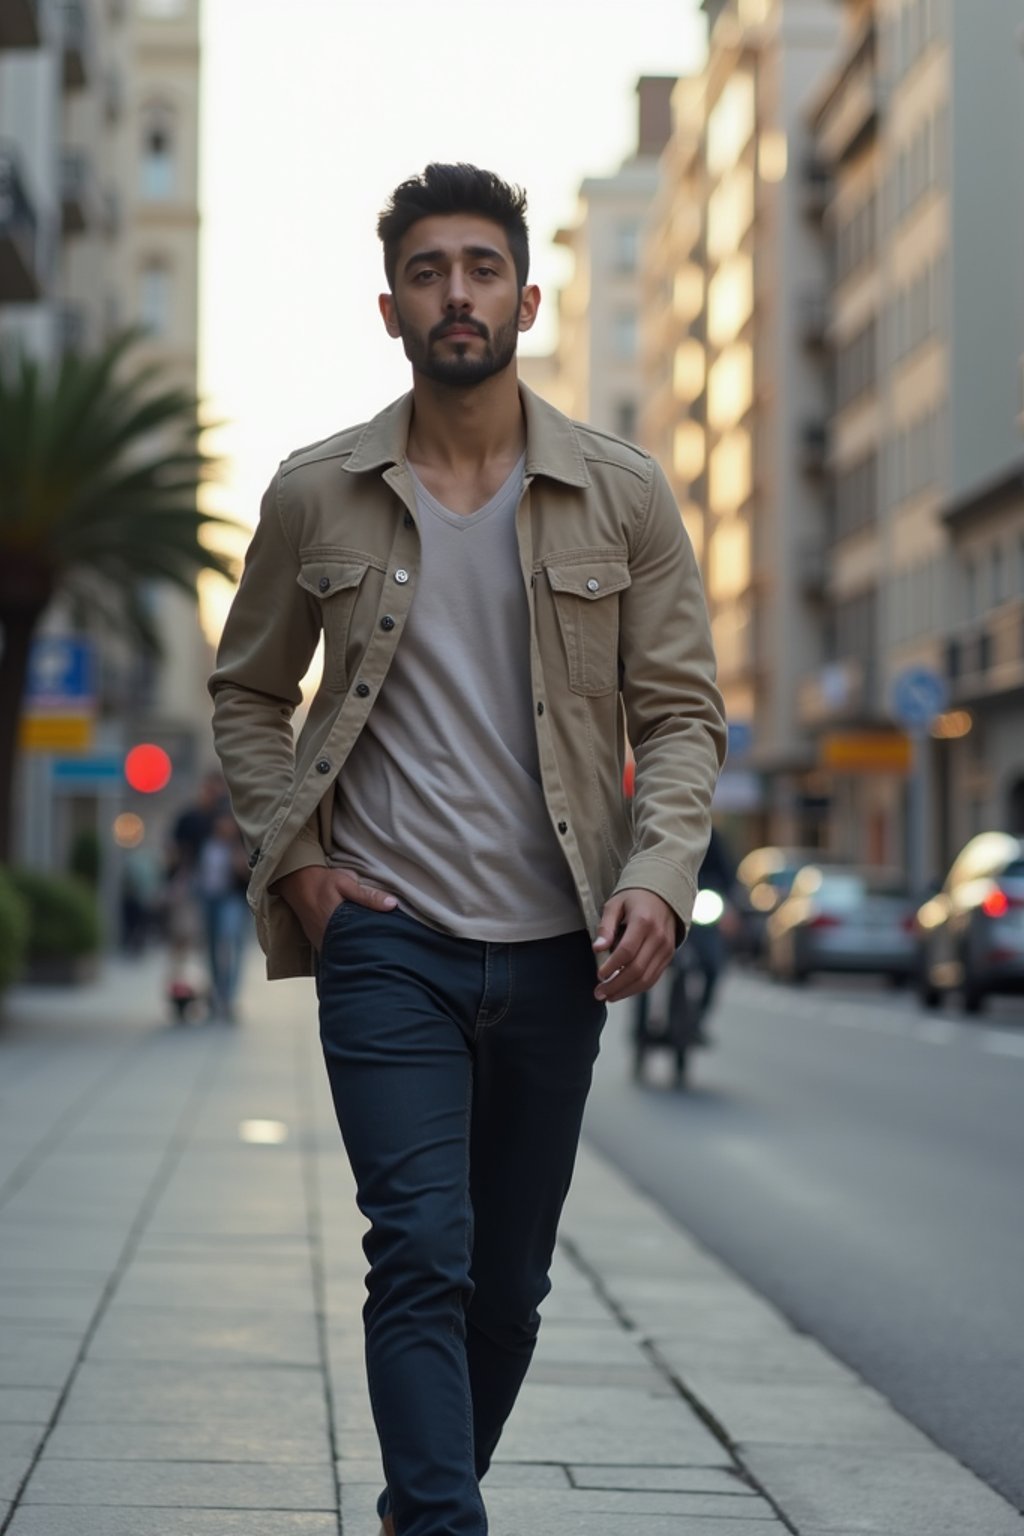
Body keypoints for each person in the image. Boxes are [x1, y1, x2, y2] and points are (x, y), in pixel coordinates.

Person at [209, 163, 726, 1536]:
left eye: (483, 269)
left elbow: (681, 717)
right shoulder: (318, 492)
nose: (458, 294)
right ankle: (444, 1525)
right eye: (431, 271)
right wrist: (302, 860)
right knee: (421, 1254)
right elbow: (248, 693)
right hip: (388, 940)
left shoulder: (622, 497)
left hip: (561, 945)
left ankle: (416, 1503)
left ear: (526, 298)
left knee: (508, 1287)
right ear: (393, 307)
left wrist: (655, 879)